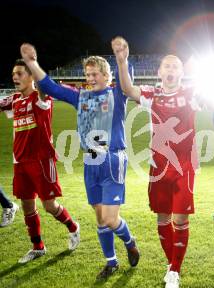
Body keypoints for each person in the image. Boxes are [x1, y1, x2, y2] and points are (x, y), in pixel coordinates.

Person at [20, 43, 139, 279]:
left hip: (113, 160)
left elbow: (127, 81)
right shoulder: (80, 97)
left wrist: (121, 60)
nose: (91, 78)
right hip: (91, 162)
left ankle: (129, 240)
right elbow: (49, 86)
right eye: (88, 74)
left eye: (95, 74)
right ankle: (111, 261)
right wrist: (32, 62)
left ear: (107, 76)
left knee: (109, 218)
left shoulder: (117, 93)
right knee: (99, 216)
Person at [112, 36, 199, 288]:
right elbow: (128, 89)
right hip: (159, 166)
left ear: (181, 72)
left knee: (180, 218)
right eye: (167, 66)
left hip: (184, 166)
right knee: (163, 218)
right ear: (159, 72)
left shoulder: (192, 93)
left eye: (175, 66)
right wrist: (122, 61)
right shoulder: (152, 94)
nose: (171, 70)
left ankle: (175, 270)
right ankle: (170, 263)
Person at [0, 59, 80, 263]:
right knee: (27, 205)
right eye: (13, 74)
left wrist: (34, 65)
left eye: (19, 73)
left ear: (31, 76)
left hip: (41, 160)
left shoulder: (41, 98)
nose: (15, 77)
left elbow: (44, 87)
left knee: (50, 206)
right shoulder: (14, 100)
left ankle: (73, 227)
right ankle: (38, 247)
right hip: (20, 161)